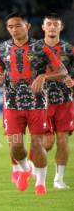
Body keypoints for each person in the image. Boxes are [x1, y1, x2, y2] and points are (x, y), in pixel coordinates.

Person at [0, 12, 69, 195]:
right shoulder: (2, 48)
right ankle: (25, 168)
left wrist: (44, 76)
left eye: (17, 25)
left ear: (27, 26)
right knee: (16, 146)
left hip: (37, 103)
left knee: (37, 144)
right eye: (10, 27)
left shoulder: (40, 47)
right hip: (12, 104)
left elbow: (63, 71)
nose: (14, 30)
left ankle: (40, 184)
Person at [38, 13, 74, 189]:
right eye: (49, 24)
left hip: (64, 101)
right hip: (41, 102)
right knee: (48, 142)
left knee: (62, 140)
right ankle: (35, 162)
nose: (52, 27)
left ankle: (58, 179)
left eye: (55, 24)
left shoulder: (69, 50)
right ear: (43, 27)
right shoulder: (34, 50)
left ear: (61, 28)